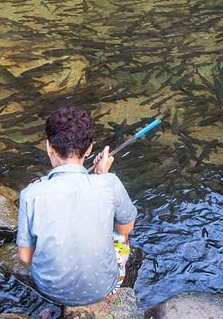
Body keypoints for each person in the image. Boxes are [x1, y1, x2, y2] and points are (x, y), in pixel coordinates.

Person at [16, 105, 137, 306]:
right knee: (121, 231)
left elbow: (25, 256)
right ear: (89, 149)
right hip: (103, 287)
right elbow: (126, 228)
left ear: (49, 147)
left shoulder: (31, 194)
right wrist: (102, 176)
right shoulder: (109, 183)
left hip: (50, 291)